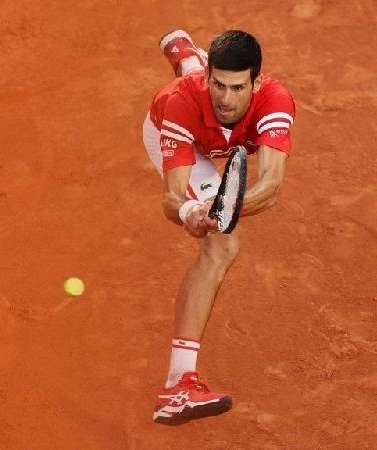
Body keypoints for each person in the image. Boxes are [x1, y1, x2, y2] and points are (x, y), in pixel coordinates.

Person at [142, 30, 295, 424]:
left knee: (224, 228)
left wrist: (226, 209)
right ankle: (178, 385)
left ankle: (186, 55)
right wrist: (195, 212)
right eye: (219, 85)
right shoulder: (178, 103)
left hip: (214, 130)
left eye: (238, 87)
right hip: (186, 138)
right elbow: (171, 199)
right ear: (210, 78)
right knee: (222, 246)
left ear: (257, 82)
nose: (227, 98)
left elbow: (271, 187)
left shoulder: (275, 100)